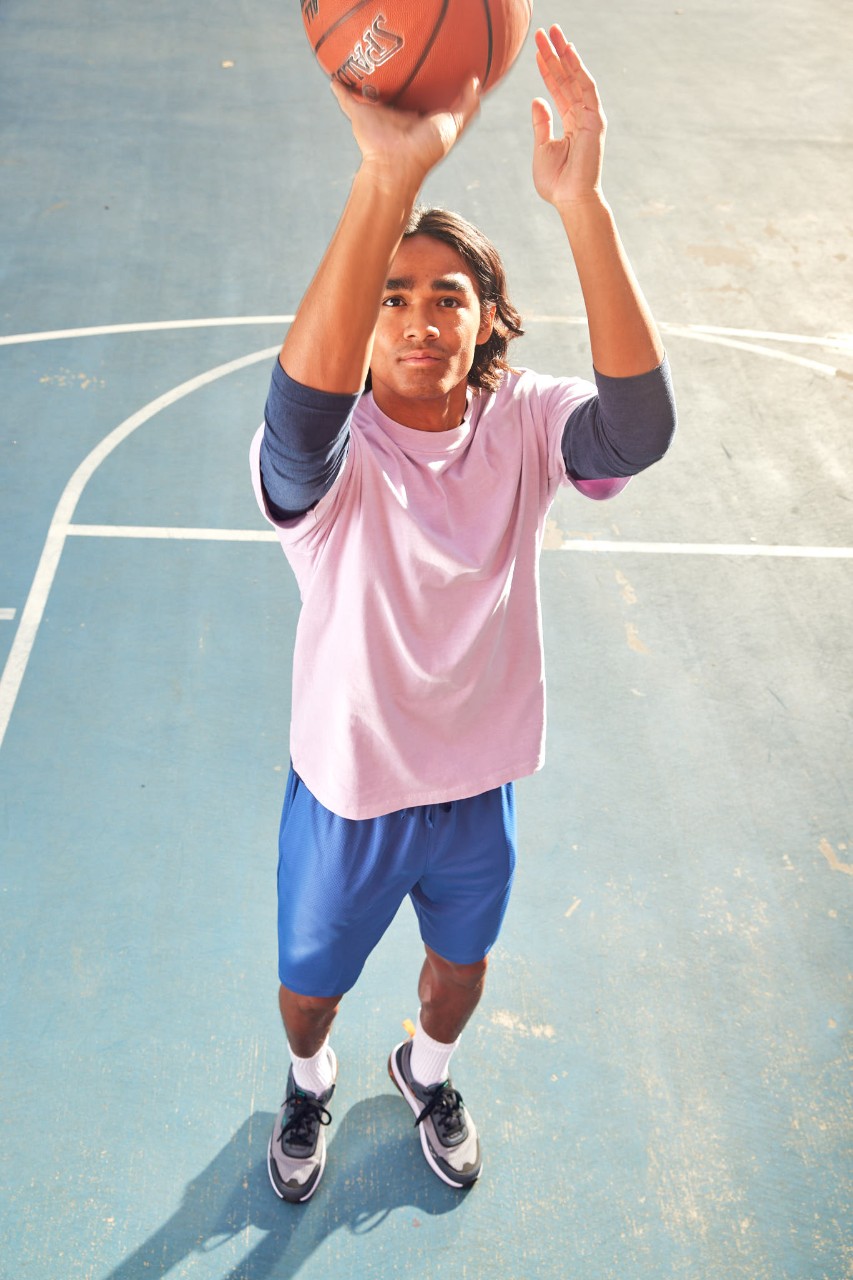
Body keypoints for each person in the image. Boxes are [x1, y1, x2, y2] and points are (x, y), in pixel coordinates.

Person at [250, 25, 676, 1203]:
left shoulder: (523, 420)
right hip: (350, 792)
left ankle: (425, 1069)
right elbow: (294, 424)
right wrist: (386, 177)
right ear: (362, 323)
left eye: (449, 296)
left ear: (489, 319)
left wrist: (580, 205)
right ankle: (308, 1078)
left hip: (476, 783)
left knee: (460, 971)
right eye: (392, 299)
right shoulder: (333, 458)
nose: (421, 318)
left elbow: (637, 431)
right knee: (309, 989)